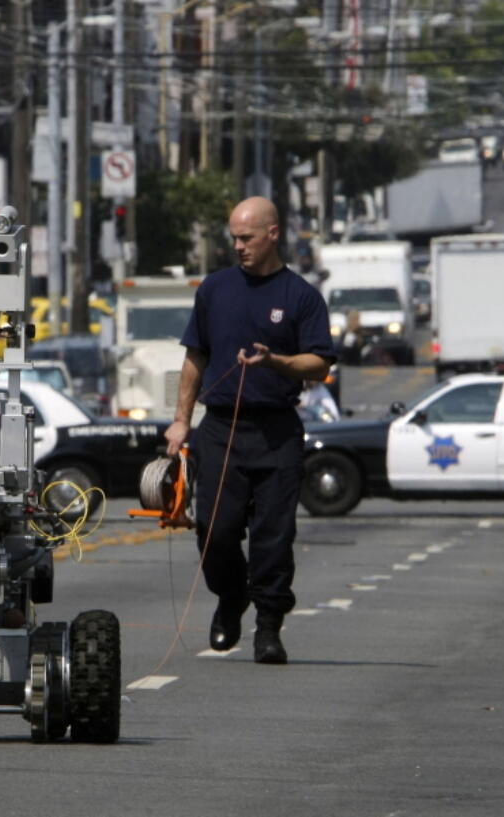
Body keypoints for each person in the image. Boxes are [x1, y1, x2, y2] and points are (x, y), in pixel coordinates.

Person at [164, 196, 336, 665]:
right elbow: (194, 358)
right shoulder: (215, 289)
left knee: (273, 536)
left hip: (276, 430)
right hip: (220, 429)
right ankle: (230, 595)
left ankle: (268, 625)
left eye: (247, 238)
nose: (238, 246)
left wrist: (276, 360)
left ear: (273, 234)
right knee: (215, 532)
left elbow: (319, 365)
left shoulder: (300, 296)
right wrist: (182, 420)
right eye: (233, 239)